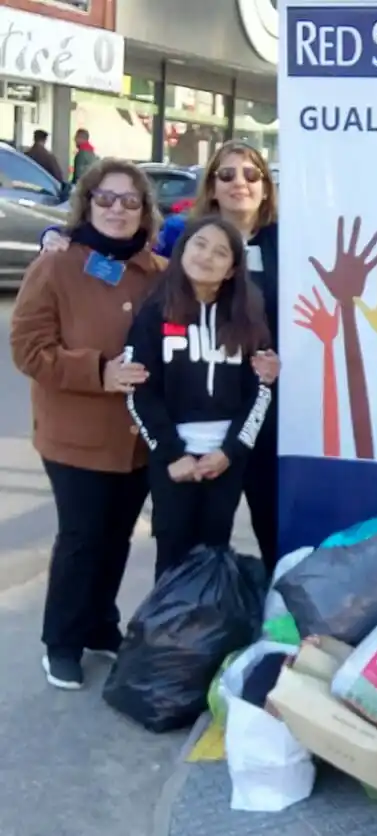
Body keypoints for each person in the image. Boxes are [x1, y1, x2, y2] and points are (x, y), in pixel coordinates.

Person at [41, 141, 282, 574]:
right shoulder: (176, 236)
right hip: (178, 425)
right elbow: (119, 246)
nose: (239, 184)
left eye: (250, 175)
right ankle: (163, 635)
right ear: (211, 185)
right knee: (170, 548)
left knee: (260, 528)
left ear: (266, 186)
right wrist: (56, 237)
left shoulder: (287, 241)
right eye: (226, 174)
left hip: (256, 407)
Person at [10, 159, 165, 690]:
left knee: (117, 536)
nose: (118, 210)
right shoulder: (56, 266)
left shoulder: (157, 273)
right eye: (106, 199)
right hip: (74, 434)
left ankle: (101, 623)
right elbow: (29, 350)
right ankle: (62, 640)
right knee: (82, 536)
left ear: (145, 210)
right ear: (87, 203)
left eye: (130, 201)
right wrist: (100, 371)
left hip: (136, 438)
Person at [125, 215, 272, 579]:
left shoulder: (247, 318)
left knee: (213, 552)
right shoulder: (154, 313)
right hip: (173, 460)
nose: (207, 256)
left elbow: (259, 393)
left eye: (220, 252)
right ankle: (167, 633)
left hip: (225, 460)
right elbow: (139, 390)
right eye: (200, 245)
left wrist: (230, 453)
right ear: (182, 250)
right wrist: (172, 454)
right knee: (173, 553)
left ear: (231, 269)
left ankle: (208, 632)